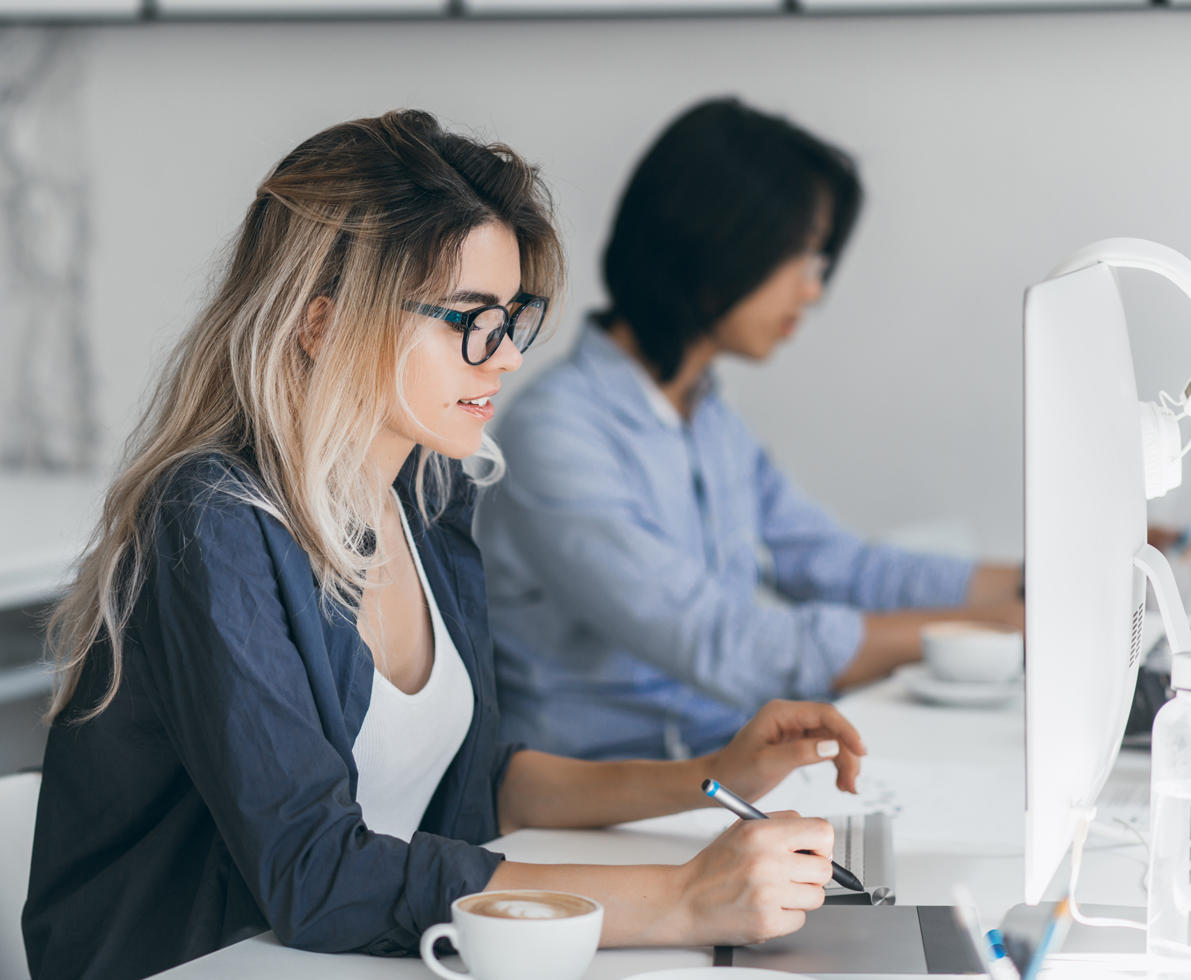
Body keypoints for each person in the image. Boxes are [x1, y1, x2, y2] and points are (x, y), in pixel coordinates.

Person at [21, 110, 869, 980]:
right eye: (468, 318)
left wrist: (708, 776)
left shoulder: (428, 499)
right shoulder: (212, 519)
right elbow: (317, 873)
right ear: (321, 325)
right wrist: (682, 898)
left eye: (511, 318)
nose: (501, 357)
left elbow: (471, 783)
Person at [473, 98, 1024, 762]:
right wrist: (991, 629)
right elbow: (723, 644)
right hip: (608, 804)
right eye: (801, 258)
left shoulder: (708, 418)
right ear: (717, 243)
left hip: (724, 771)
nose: (812, 291)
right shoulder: (554, 436)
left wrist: (1045, 581)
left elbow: (841, 567)